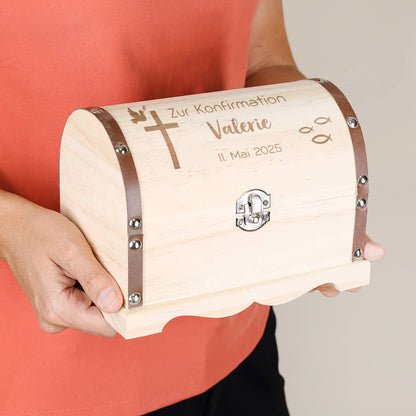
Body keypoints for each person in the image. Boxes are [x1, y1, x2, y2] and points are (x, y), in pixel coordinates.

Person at [0, 0, 385, 415]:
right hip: (57, 368)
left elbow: (265, 63)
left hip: (233, 343)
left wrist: (311, 198)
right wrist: (10, 226)